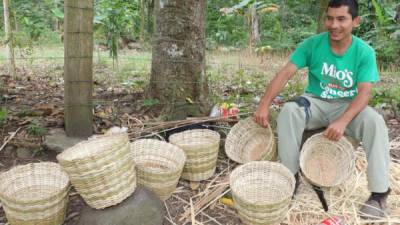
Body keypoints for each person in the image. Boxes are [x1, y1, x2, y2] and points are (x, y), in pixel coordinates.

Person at [253, 0, 390, 219]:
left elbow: (364, 93)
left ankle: (379, 193)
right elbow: (285, 73)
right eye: (330, 18)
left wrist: (343, 121)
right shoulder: (312, 44)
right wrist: (263, 105)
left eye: (341, 19)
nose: (334, 25)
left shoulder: (364, 52)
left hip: (347, 105)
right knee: (289, 111)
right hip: (315, 103)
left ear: (355, 21)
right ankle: (290, 177)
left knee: (374, 121)